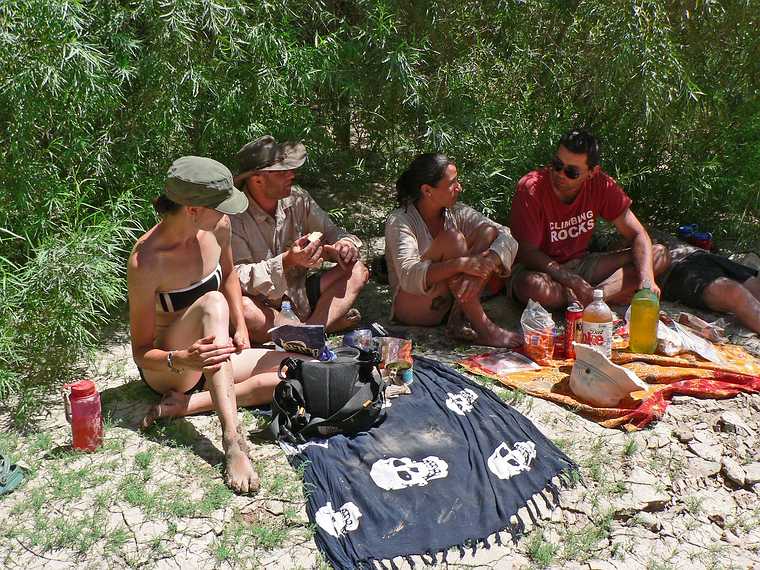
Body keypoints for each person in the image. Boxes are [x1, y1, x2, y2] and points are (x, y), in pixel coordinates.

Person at [128, 156, 300, 494]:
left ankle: (186, 406)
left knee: (297, 367)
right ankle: (233, 442)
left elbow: (230, 275)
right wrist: (182, 358)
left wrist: (239, 325)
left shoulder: (218, 226)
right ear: (192, 209)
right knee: (212, 302)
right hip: (172, 367)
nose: (229, 212)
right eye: (221, 205)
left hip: (213, 353)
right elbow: (141, 352)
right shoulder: (146, 260)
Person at [508, 129, 671, 309]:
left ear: (592, 172)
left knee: (657, 255)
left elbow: (638, 233)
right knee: (531, 287)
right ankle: (599, 297)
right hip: (541, 270)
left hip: (583, 265)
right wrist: (568, 279)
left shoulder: (601, 184)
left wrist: (646, 279)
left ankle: (594, 298)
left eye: (572, 172)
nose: (560, 174)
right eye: (557, 164)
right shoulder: (531, 189)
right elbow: (527, 253)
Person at [230, 136, 369, 343]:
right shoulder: (233, 218)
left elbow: (332, 231)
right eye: (282, 172)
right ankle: (315, 330)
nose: (291, 175)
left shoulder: (297, 199)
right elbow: (236, 277)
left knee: (357, 270)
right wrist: (287, 261)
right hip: (265, 307)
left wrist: (344, 245)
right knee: (244, 309)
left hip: (300, 296)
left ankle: (307, 333)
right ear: (257, 179)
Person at [384, 153, 521, 347]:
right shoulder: (400, 220)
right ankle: (485, 328)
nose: (459, 188)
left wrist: (488, 261)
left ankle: (458, 315)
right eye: (452, 183)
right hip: (415, 307)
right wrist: (462, 265)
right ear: (427, 190)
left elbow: (506, 236)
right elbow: (408, 275)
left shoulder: (456, 212)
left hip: (449, 302)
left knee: (488, 231)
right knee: (453, 239)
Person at [662, 245, 760, 333]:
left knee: (754, 289)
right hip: (677, 267)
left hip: (698, 254)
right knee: (734, 293)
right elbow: (734, 294)